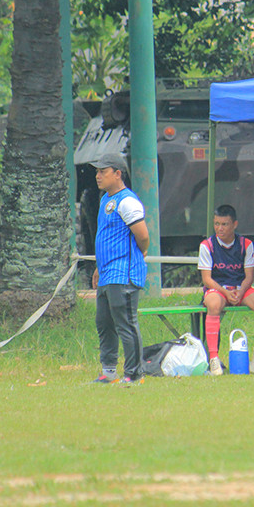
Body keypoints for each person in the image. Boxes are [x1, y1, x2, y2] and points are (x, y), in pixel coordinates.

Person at [90, 152, 150, 386]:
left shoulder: (127, 201)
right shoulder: (105, 199)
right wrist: (99, 267)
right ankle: (108, 372)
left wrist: (140, 253)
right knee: (104, 323)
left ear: (117, 174)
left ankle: (134, 374)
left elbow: (143, 236)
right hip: (106, 273)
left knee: (126, 323)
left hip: (123, 273)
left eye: (102, 172)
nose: (98, 176)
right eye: (97, 172)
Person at [198, 204, 254, 376]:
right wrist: (225, 292)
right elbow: (207, 279)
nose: (220, 228)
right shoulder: (207, 245)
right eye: (217, 224)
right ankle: (213, 358)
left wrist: (240, 291)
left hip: (240, 288)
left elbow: (249, 276)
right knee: (213, 304)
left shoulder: (246, 244)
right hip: (218, 289)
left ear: (234, 224)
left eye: (224, 224)